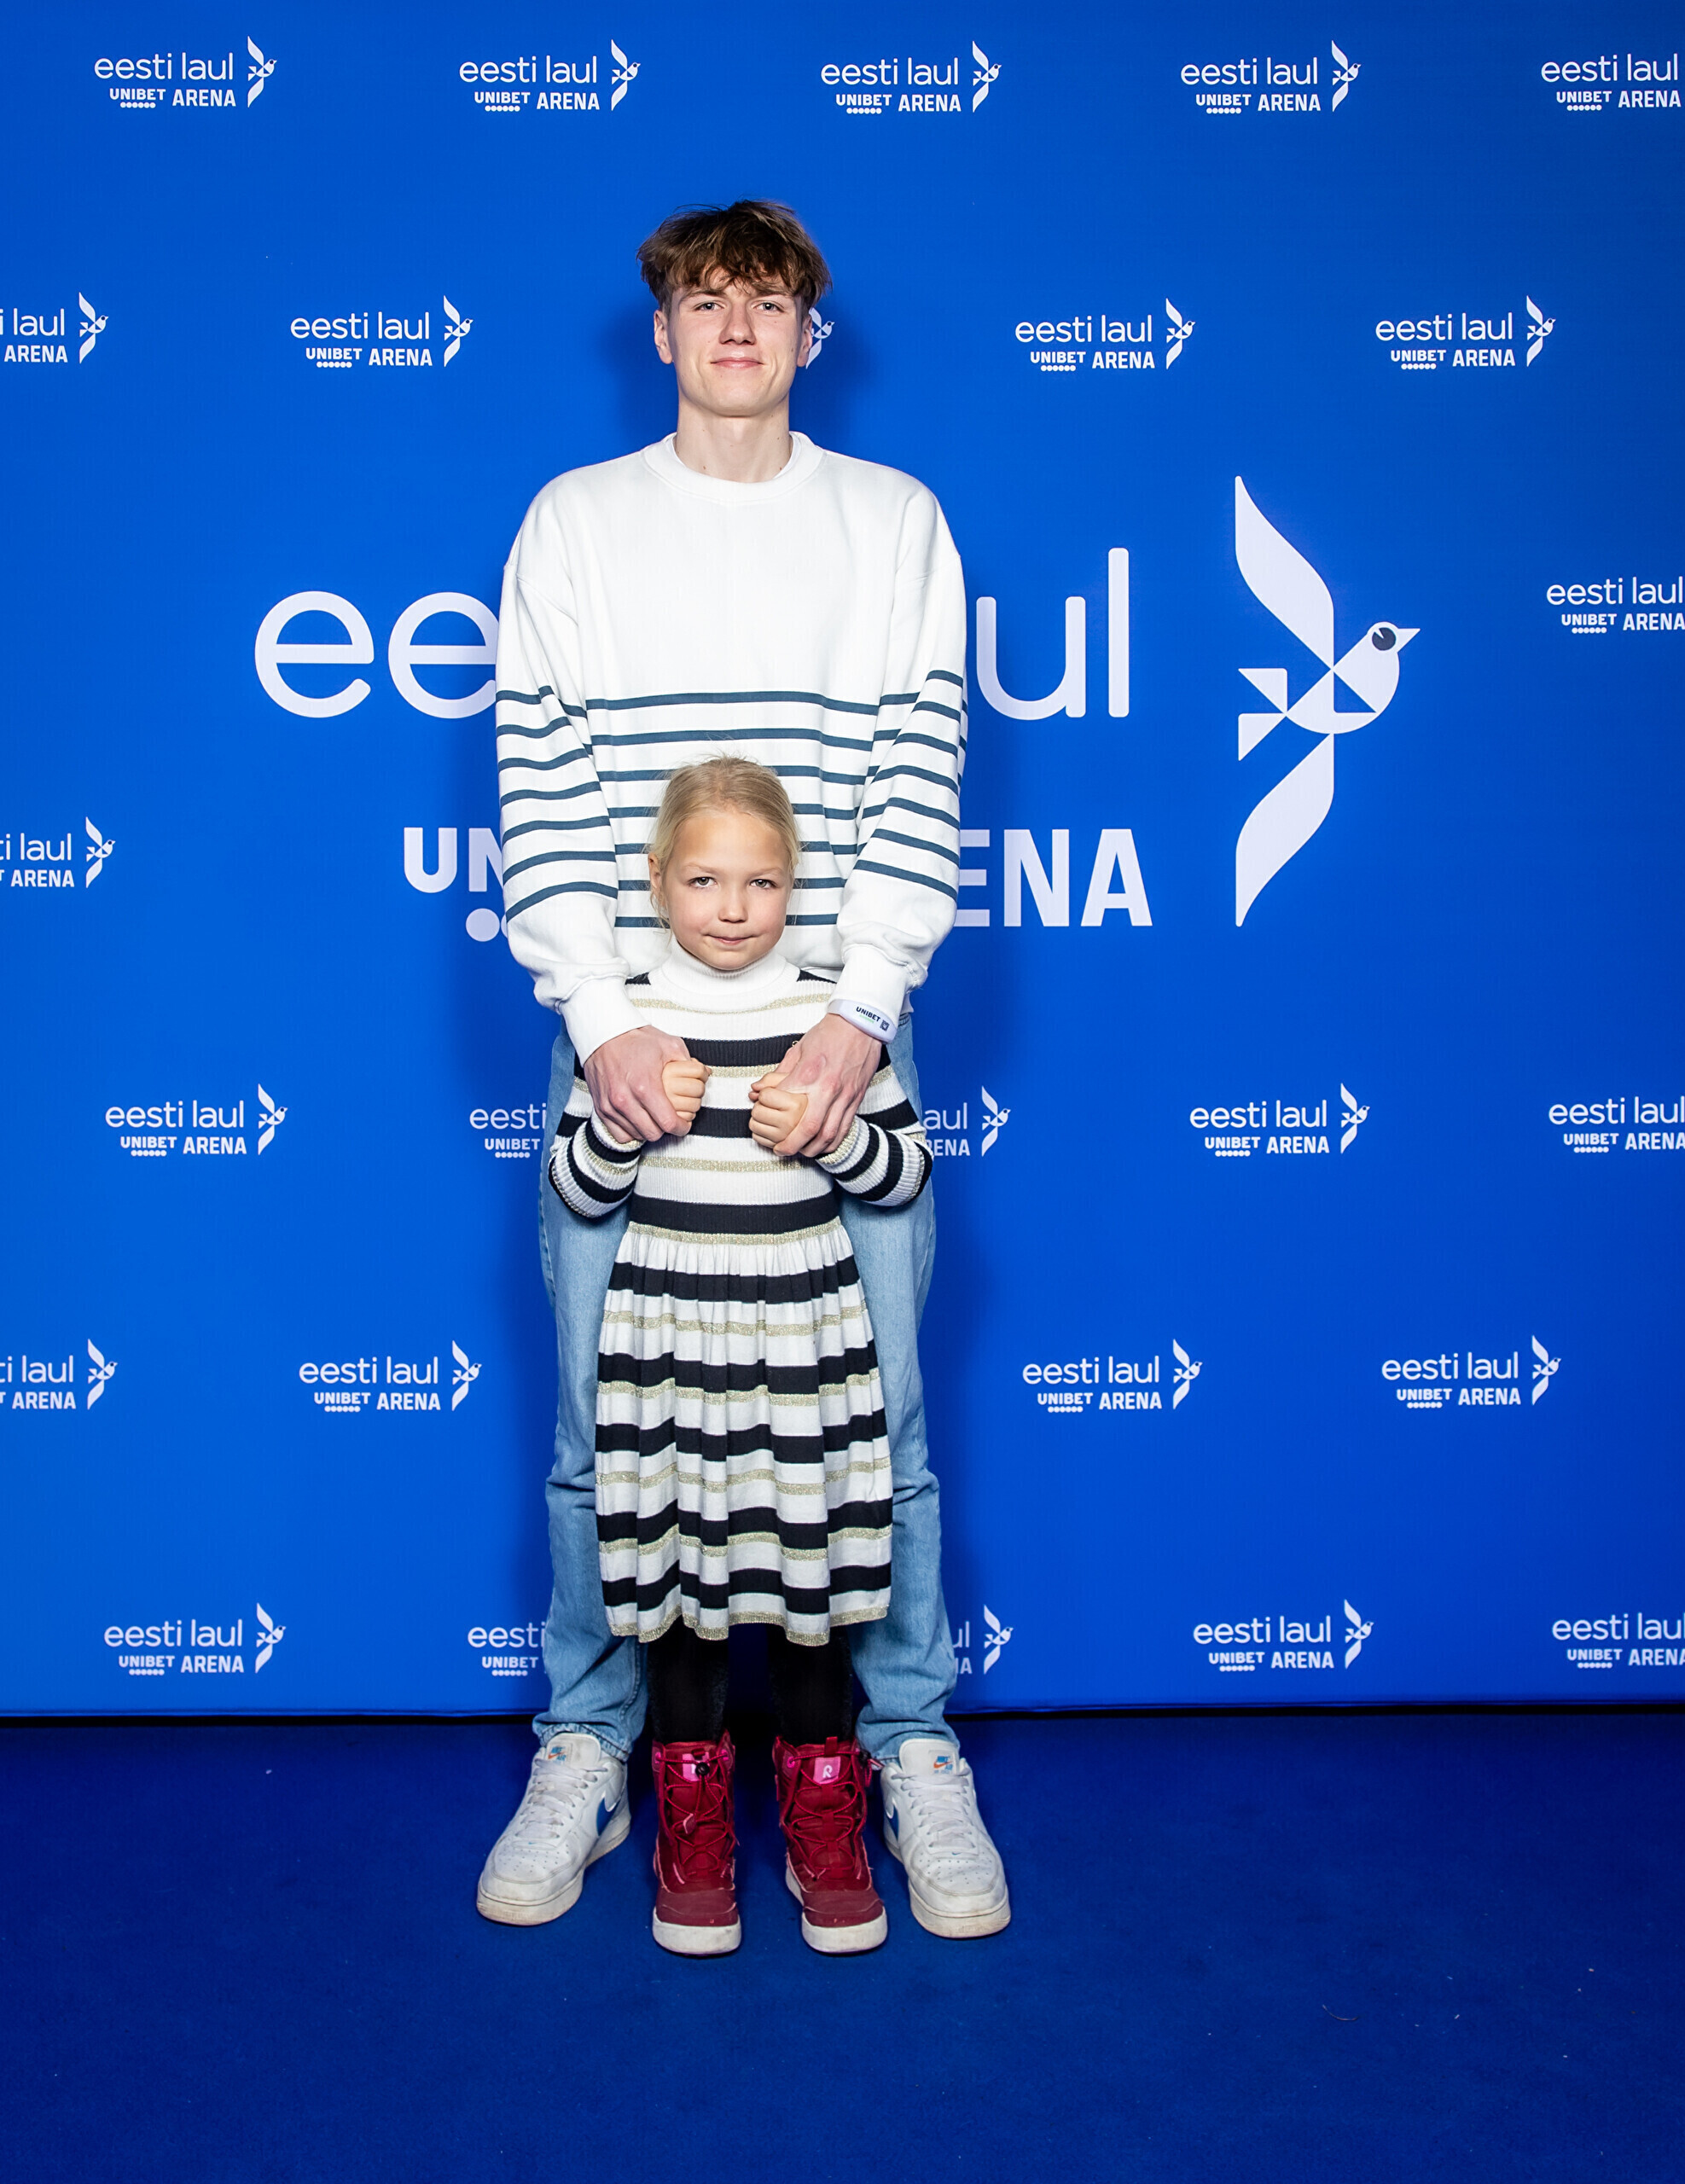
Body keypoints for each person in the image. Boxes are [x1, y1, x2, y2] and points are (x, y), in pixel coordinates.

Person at [477, 199, 1008, 1942]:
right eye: (704, 300)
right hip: (630, 1041)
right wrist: (598, 1016)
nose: (732, 327)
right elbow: (542, 786)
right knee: (605, 1428)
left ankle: (904, 1744)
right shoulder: (575, 522)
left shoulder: (893, 522)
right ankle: (592, 1739)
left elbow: (921, 771)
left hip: (839, 1040)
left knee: (878, 1427)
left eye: (766, 302)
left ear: (807, 334)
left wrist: (860, 1011)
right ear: (660, 331)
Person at [549, 758, 930, 1955]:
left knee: (808, 1578)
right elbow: (576, 1189)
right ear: (657, 880)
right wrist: (625, 1127)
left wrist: (834, 1137)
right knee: (680, 1583)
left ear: (794, 887)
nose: (732, 907)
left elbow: (905, 1172)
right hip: (666, 1351)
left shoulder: (830, 1021)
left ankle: (825, 1813)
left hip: (803, 1344)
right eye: (704, 880)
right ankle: (693, 1818)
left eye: (761, 883)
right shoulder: (623, 1027)